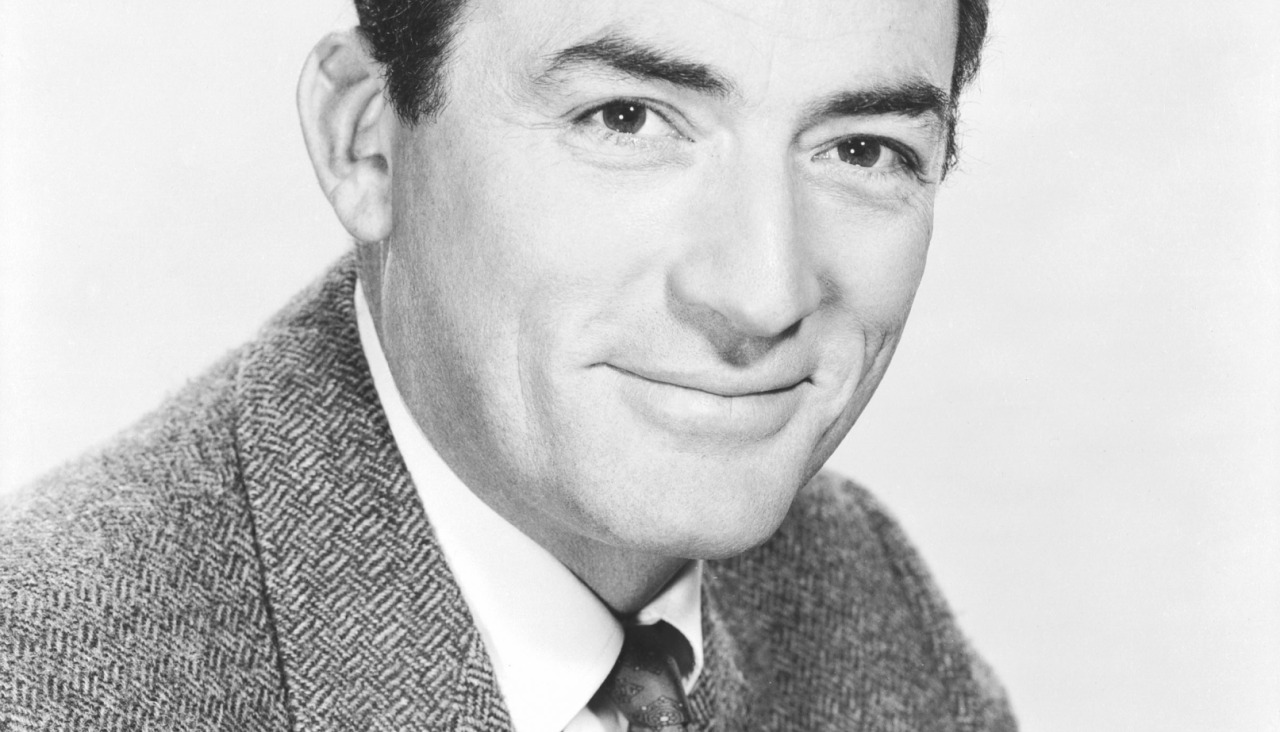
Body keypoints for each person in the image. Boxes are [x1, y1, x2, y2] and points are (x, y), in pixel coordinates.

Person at [0, 0, 1015, 729]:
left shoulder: (867, 597)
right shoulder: (44, 680)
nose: (763, 295)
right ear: (365, 144)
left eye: (861, 149)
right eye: (624, 118)